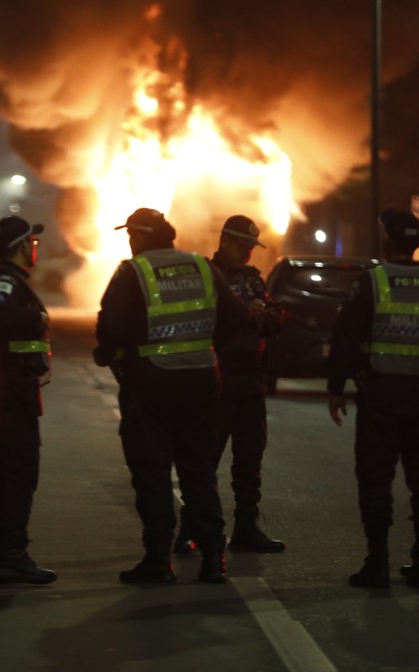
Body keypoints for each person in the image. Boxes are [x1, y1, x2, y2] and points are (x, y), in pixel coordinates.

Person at [93, 207, 247, 585]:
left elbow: (110, 328)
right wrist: (205, 349)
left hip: (152, 383)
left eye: (131, 235)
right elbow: (236, 317)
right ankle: (213, 558)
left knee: (152, 471)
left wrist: (116, 357)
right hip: (200, 380)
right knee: (198, 469)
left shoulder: (133, 272)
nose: (129, 242)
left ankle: (158, 560)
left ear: (142, 237)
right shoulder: (201, 266)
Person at [327, 208, 419, 589]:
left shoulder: (373, 282)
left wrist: (336, 387)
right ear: (416, 242)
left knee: (375, 479)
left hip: (382, 396)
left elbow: (347, 336)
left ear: (386, 241)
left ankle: (378, 562)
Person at [174, 215, 286, 556]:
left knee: (249, 462)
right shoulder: (208, 275)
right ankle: (190, 531)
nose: (249, 254)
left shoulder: (253, 279)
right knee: (204, 461)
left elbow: (269, 321)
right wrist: (243, 312)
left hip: (251, 382)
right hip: (218, 383)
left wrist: (273, 318)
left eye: (252, 248)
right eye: (244, 246)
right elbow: (201, 319)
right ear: (226, 242)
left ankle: (246, 528)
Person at [0, 216, 57, 585]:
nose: (35, 248)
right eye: (32, 243)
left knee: (12, 474)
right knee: (15, 475)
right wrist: (36, 318)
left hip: (12, 393)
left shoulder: (10, 281)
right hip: (8, 396)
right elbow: (3, 316)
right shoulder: (4, 282)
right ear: (21, 245)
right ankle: (10, 556)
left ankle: (9, 554)